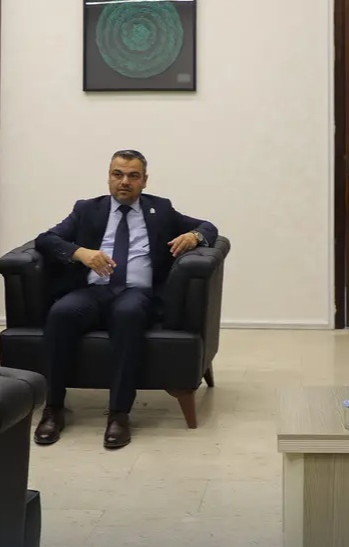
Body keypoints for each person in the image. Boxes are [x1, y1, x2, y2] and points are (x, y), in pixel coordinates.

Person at [33, 149, 218, 449]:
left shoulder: (161, 210)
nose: (124, 182)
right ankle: (53, 408)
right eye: (117, 174)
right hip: (93, 290)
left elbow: (208, 227)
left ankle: (119, 414)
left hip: (136, 292)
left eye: (133, 176)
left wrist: (194, 236)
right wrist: (80, 253)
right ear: (108, 177)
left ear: (144, 180)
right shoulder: (87, 209)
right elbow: (46, 239)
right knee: (61, 313)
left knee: (127, 315)